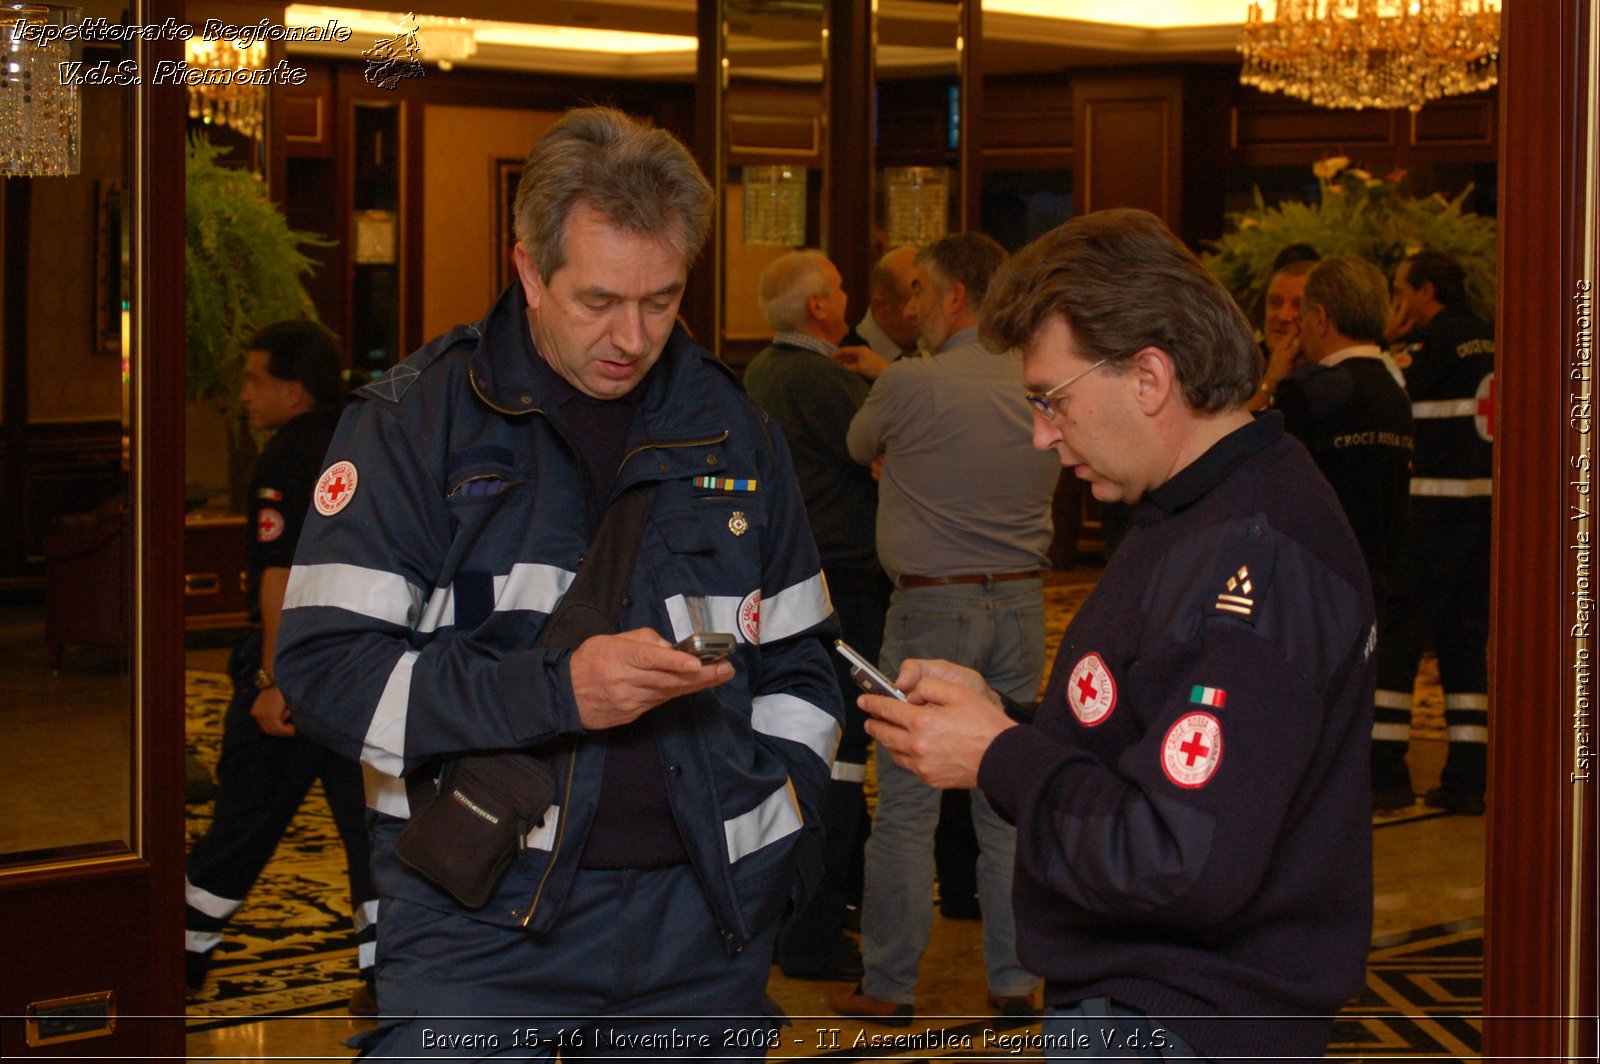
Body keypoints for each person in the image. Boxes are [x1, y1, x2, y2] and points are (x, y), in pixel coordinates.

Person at [274, 107, 841, 1055]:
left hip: (703, 934)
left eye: (661, 301)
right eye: (598, 301)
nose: (633, 335)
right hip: (476, 926)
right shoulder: (418, 424)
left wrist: (780, 836)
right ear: (529, 270)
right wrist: (560, 692)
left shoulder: (735, 428)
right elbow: (327, 672)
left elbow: (801, 663)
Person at [861, 208, 1374, 1060]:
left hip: (1181, 1019)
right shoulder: (1188, 508)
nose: (1041, 433)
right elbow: (1151, 738)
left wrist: (998, 756)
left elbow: (1180, 855)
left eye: (1051, 399)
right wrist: (1006, 724)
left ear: (1148, 377)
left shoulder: (1257, 554)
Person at [836, 231, 1057, 1024]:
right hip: (1025, 603)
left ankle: (891, 986)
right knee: (1004, 799)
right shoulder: (1038, 382)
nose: (916, 309)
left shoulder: (911, 383)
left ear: (956, 296)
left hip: (932, 607)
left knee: (903, 805)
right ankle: (1015, 983)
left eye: (923, 293)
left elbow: (858, 443)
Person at [184, 320, 378, 1016]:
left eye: (254, 380)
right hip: (365, 673)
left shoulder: (284, 461)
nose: (244, 395)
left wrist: (273, 679)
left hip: (298, 679)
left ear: (293, 390)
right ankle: (385, 975)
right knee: (370, 830)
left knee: (243, 821)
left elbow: (279, 578)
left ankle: (177, 953)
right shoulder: (368, 439)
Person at [743, 250, 888, 981]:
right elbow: (891, 447)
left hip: (781, 585)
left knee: (796, 747)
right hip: (842, 589)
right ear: (821, 310)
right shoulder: (825, 380)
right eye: (838, 286)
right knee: (839, 758)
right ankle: (815, 923)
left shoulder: (760, 373)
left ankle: (796, 915)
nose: (846, 293)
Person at [1371, 251, 1495, 814]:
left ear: (1425, 291)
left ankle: (1385, 771)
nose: (1400, 302)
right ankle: (1471, 780)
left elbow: (1391, 396)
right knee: (1466, 645)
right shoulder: (1492, 339)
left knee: (1399, 638)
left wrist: (1385, 339)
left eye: (1402, 291)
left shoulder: (1429, 348)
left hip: (1432, 514)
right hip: (1485, 516)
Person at [1275, 255, 1414, 634]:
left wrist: (1270, 384)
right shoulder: (1396, 390)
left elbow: (1263, 476)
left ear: (1319, 318)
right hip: (1375, 586)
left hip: (1312, 590)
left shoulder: (1309, 390)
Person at [1246, 258, 1316, 412]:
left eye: (1298, 305)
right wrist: (1271, 382)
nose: (1283, 316)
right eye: (1275, 302)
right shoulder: (1239, 366)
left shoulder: (1329, 377)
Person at [851, 244, 921, 361]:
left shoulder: (944, 350)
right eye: (918, 301)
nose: (937, 312)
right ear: (882, 307)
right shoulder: (846, 361)